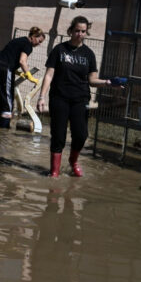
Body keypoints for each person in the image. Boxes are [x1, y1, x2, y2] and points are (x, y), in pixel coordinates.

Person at [37, 16, 125, 177]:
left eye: (83, 31)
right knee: (58, 135)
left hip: (80, 99)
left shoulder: (89, 54)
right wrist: (41, 97)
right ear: (71, 31)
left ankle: (73, 161)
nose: (79, 34)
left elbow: (92, 80)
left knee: (81, 134)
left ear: (86, 32)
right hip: (59, 97)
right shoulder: (59, 50)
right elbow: (49, 75)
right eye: (77, 30)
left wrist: (108, 83)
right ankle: (54, 171)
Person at [0, 27, 46, 128]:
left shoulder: (18, 40)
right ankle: (4, 128)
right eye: (39, 41)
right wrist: (30, 76)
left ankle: (1, 125)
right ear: (33, 37)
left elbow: (9, 56)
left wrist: (17, 72)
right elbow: (22, 61)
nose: (39, 44)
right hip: (4, 69)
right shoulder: (28, 45)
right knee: (7, 99)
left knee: (1, 97)